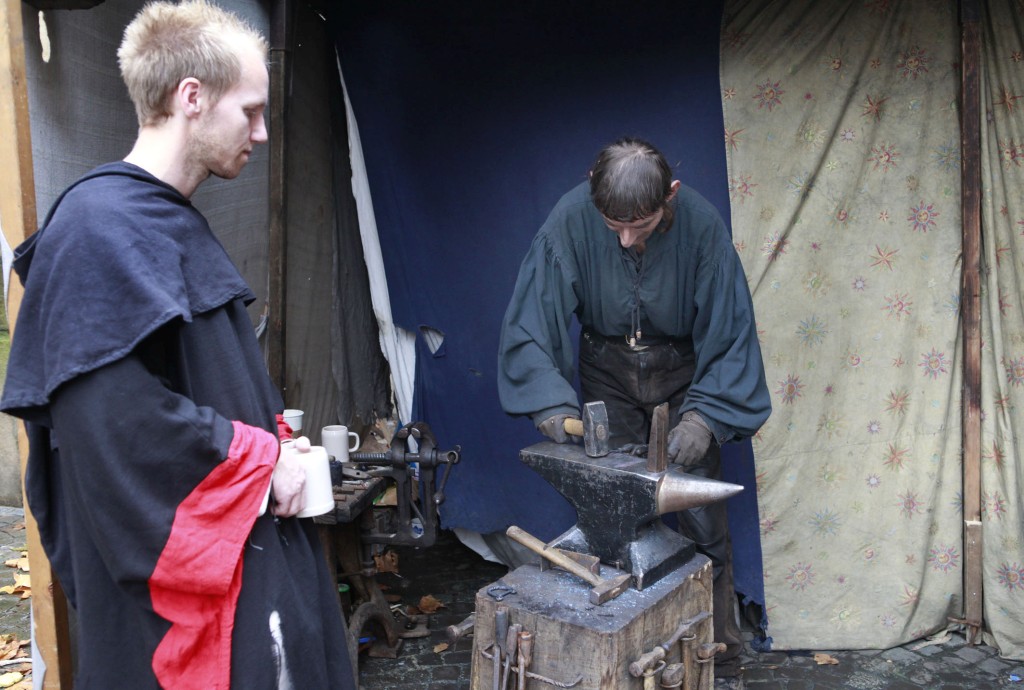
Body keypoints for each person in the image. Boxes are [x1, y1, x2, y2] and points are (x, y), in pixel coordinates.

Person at [0, 2, 355, 688]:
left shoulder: (165, 219)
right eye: (250, 111)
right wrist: (261, 466)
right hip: (186, 608)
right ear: (191, 97)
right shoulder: (98, 229)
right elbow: (115, 422)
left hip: (245, 555)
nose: (261, 133)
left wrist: (277, 447)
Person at [498, 136, 771, 680]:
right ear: (592, 190)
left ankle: (715, 653)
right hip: (608, 372)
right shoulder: (569, 219)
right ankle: (625, 657)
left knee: (702, 526)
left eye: (640, 225)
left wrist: (706, 417)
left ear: (670, 194)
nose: (625, 239)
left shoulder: (703, 228)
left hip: (684, 377)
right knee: (613, 521)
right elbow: (531, 320)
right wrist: (548, 401)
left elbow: (731, 333)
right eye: (612, 225)